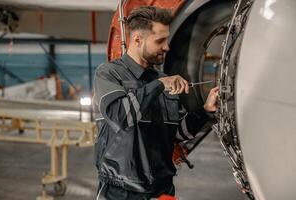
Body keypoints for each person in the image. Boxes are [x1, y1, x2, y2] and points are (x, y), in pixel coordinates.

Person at [93, 6, 219, 200]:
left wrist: (205, 111)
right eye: (160, 40)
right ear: (137, 40)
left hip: (162, 191)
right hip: (121, 193)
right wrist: (158, 85)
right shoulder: (110, 74)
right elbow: (120, 116)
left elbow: (177, 132)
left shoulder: (163, 80)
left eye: (167, 39)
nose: (167, 46)